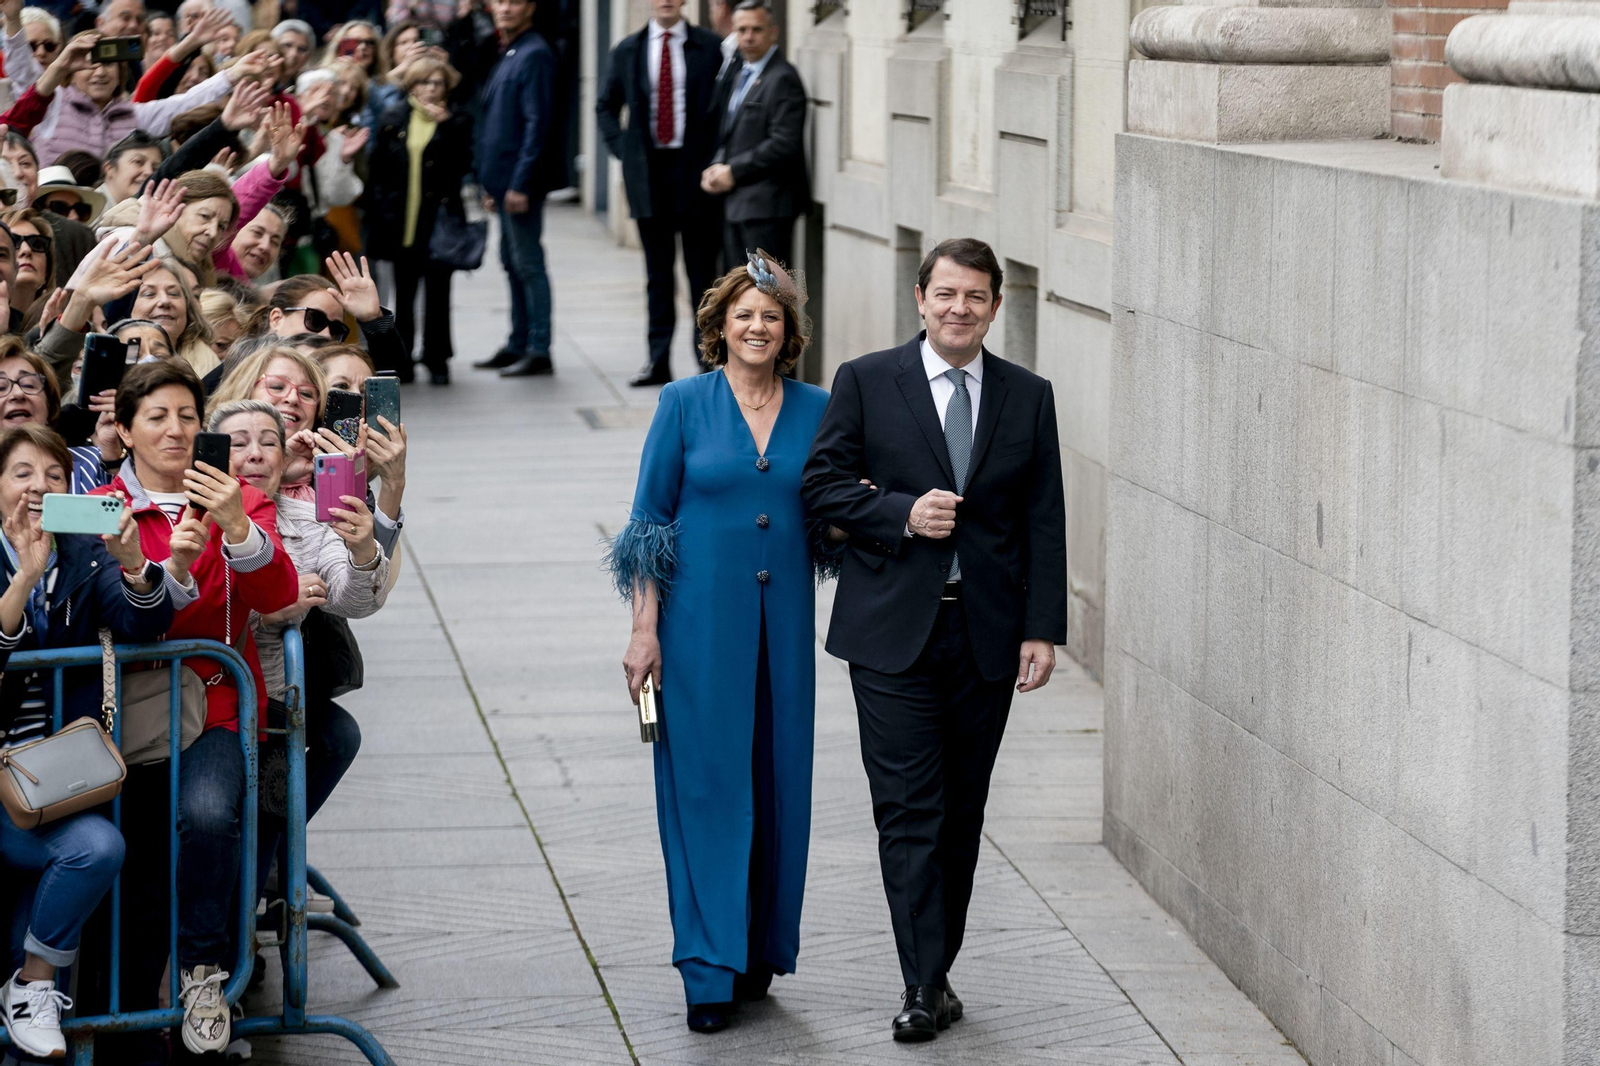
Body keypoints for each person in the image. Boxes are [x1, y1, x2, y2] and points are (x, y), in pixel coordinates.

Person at [800, 238, 1068, 1042]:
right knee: (909, 809)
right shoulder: (866, 380)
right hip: (891, 634)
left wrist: (1042, 629)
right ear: (920, 298)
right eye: (946, 294)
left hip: (985, 636)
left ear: (995, 307)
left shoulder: (1028, 395)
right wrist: (902, 514)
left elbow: (1044, 518)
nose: (960, 309)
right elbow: (821, 486)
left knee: (960, 813)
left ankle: (937, 969)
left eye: (975, 296)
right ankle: (921, 984)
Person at [606, 253, 840, 1034]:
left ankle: (758, 950)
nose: (757, 326)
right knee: (705, 790)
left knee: (778, 787)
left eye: (771, 316)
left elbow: (835, 513)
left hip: (785, 639)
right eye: (745, 315)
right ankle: (707, 967)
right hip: (698, 632)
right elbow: (647, 527)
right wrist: (644, 632)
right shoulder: (683, 403)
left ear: (789, 330)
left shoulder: (819, 408)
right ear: (720, 325)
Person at [93, 358, 297, 1060]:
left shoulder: (236, 496)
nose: (176, 430)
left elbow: (276, 594)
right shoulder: (100, 504)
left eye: (188, 416)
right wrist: (161, 570)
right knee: (135, 862)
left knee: (209, 814)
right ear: (125, 430)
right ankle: (121, 1017)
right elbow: (101, 609)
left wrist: (237, 527)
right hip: (122, 713)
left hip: (215, 704)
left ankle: (203, 977)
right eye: (157, 417)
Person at [0, 424, 171, 1060]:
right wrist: (23, 578)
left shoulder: (85, 554)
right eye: (22, 473)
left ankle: (32, 985)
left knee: (97, 848)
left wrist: (134, 564)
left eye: (54, 475)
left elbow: (144, 622)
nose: (38, 487)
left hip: (51, 782)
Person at [595, 0, 722, 388]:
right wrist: (625, 150)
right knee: (657, 276)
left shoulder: (709, 47)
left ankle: (708, 360)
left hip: (695, 173)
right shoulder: (628, 49)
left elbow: (722, 109)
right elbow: (605, 106)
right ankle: (657, 360)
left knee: (702, 275)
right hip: (648, 175)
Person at [5, 32, 270, 166]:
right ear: (70, 72)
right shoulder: (52, 104)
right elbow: (24, 75)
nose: (100, 72)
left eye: (109, 65)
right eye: (89, 65)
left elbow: (186, 103)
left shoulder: (135, 116)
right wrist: (14, 19)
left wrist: (233, 74)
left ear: (121, 73)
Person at [367, 56, 469, 384]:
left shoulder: (457, 120)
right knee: (404, 294)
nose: (431, 89)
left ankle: (437, 358)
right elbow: (378, 170)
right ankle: (403, 358)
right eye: (424, 82)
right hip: (402, 221)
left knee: (439, 294)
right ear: (412, 86)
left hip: (438, 222)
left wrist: (448, 126)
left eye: (438, 83)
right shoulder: (393, 117)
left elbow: (464, 166)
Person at [471, 0, 555, 378]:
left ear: (531, 7)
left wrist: (521, 183)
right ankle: (518, 342)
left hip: (520, 186)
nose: (505, 8)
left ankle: (539, 348)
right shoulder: (508, 50)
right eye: (499, 1)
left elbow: (538, 125)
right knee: (511, 262)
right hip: (502, 184)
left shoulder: (535, 53)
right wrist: (491, 183)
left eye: (514, 1)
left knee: (528, 264)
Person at [704, 0, 808, 270]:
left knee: (767, 291)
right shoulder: (741, 73)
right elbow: (730, 132)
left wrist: (733, 171)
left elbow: (784, 142)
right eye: (742, 30)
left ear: (773, 32)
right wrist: (716, 166)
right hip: (736, 205)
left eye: (756, 29)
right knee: (739, 289)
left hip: (767, 209)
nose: (748, 37)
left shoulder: (783, 77)